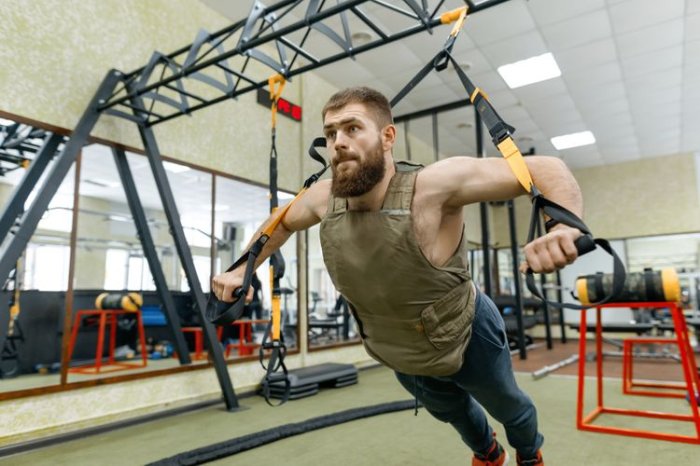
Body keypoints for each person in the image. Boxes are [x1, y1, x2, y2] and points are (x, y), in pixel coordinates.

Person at [213, 87, 584, 466]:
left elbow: (546, 169)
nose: (338, 142)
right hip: (398, 346)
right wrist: (243, 266)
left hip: (469, 334)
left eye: (353, 128)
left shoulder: (434, 186)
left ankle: (528, 453)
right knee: (452, 413)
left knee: (511, 409)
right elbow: (280, 221)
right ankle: (488, 454)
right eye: (330, 133)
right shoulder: (323, 198)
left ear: (387, 137)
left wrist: (561, 228)